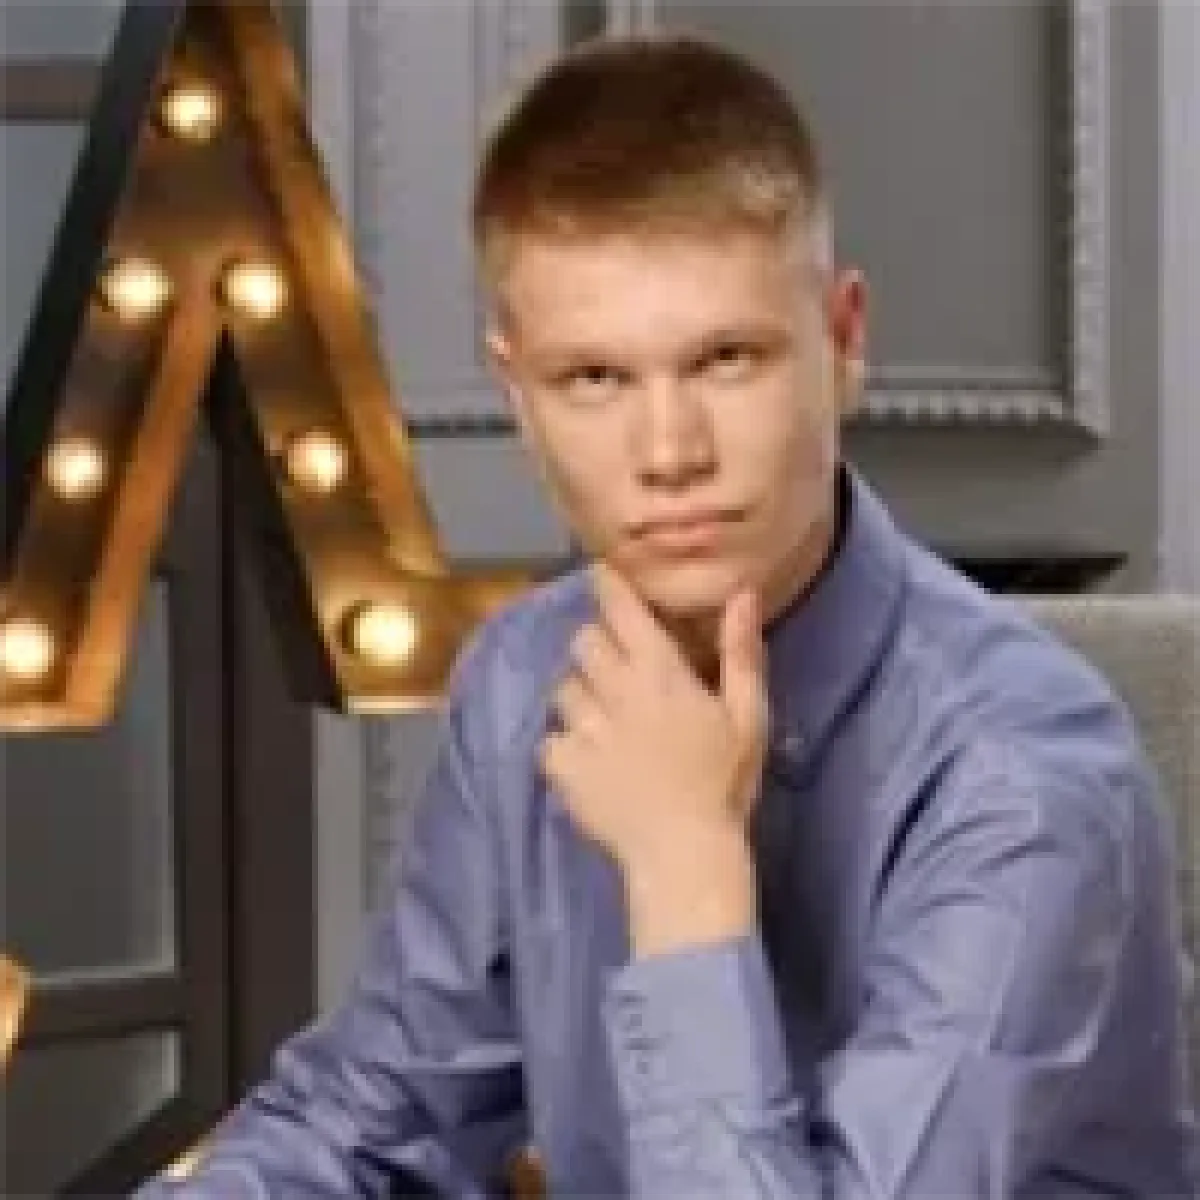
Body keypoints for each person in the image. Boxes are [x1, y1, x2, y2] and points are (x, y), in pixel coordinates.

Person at [138, 33, 1195, 1198]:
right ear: (518, 393)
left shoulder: (1026, 782)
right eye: (595, 379)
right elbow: (370, 1116)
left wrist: (684, 867)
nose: (669, 453)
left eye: (726, 359)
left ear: (844, 342)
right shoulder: (526, 677)